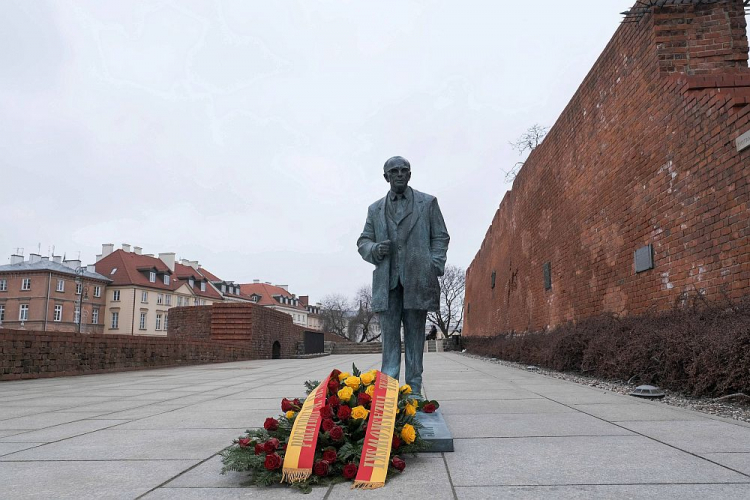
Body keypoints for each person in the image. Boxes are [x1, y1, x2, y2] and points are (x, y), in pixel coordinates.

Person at [357, 156, 450, 396]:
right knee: (389, 339)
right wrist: (374, 249)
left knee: (415, 337)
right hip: (387, 281)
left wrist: (434, 264)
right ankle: (388, 393)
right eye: (394, 171)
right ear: (386, 176)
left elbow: (440, 236)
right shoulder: (375, 209)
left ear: (410, 174)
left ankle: (414, 389)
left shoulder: (427, 203)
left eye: (404, 170)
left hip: (418, 278)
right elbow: (363, 241)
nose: (399, 174)